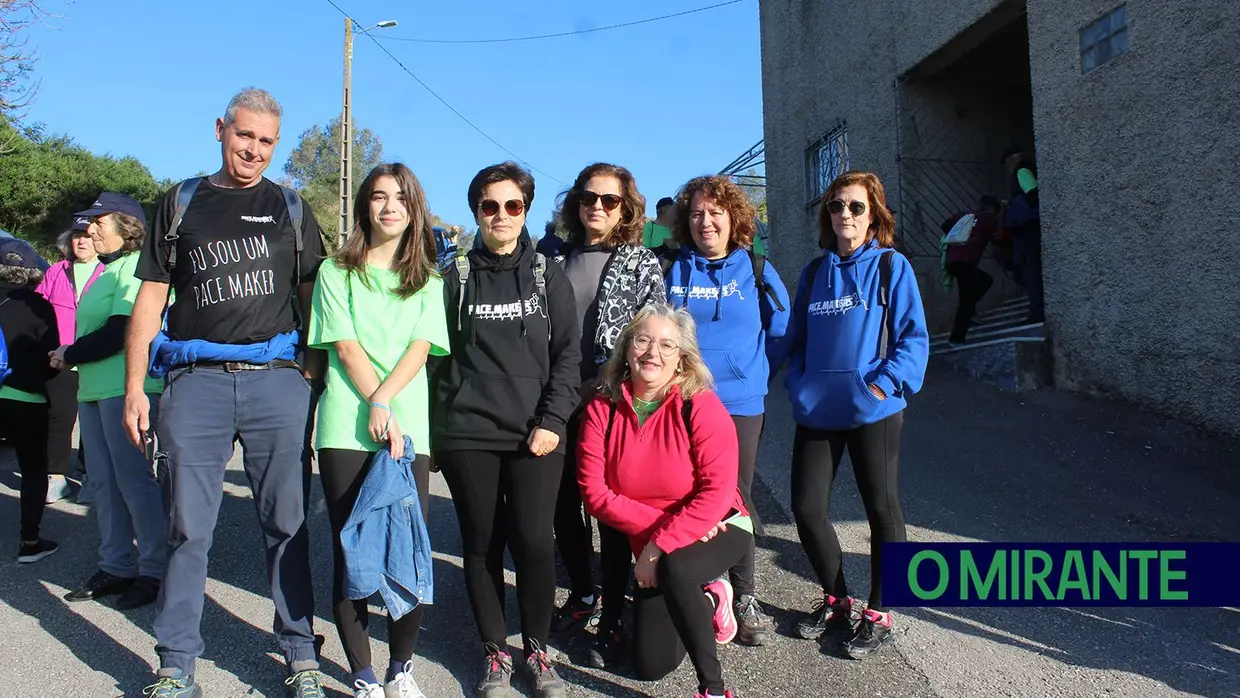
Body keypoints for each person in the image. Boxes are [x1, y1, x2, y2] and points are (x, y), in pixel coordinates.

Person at [122, 88, 328, 698]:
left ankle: (300, 653)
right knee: (188, 527)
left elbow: (316, 297)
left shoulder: (291, 207)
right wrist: (135, 386)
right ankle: (176, 664)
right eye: (245, 136)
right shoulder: (181, 202)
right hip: (195, 381)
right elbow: (152, 297)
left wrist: (311, 373)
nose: (255, 150)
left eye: (267, 141)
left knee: (287, 522)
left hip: (276, 384)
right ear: (220, 129)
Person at [431, 161, 580, 698]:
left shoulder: (547, 276)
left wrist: (552, 420)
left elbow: (569, 357)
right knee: (482, 543)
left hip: (535, 434)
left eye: (512, 206)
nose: (500, 215)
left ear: (526, 211)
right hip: (468, 432)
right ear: (476, 210)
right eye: (489, 206)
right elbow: (431, 356)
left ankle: (537, 651)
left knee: (537, 543)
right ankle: (495, 652)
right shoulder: (455, 277)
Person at [769, 170, 929, 659]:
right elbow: (791, 339)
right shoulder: (814, 273)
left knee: (882, 509)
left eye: (855, 207)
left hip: (872, 410)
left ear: (873, 215)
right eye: (836, 206)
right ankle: (837, 600)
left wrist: (880, 385)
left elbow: (913, 339)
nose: (845, 215)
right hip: (817, 408)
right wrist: (792, 382)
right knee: (807, 508)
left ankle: (880, 613)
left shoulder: (890, 266)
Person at [308, 163, 448, 698]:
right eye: (378, 197)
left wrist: (386, 403)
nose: (389, 207)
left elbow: (420, 348)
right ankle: (363, 673)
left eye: (400, 198)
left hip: (407, 430)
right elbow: (342, 345)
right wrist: (373, 401)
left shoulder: (428, 282)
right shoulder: (334, 272)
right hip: (346, 424)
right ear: (365, 205)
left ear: (414, 209)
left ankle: (400, 669)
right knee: (352, 550)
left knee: (407, 551)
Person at [577, 302, 748, 698]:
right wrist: (659, 539)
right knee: (651, 665)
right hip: (659, 540)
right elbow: (595, 494)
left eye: (667, 345)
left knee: (677, 570)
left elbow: (717, 491)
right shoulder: (602, 409)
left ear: (682, 359)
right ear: (627, 349)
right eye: (643, 340)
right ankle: (708, 601)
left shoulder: (700, 405)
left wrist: (660, 545)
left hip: (719, 525)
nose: (653, 353)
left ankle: (713, 687)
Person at [663, 175, 791, 646]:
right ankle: (698, 580)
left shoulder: (756, 269)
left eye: (715, 211)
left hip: (739, 403)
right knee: (685, 491)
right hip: (683, 402)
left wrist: (753, 375)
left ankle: (745, 594)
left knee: (734, 496)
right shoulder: (671, 269)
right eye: (696, 213)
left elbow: (782, 331)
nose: (706, 221)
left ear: (734, 217)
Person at [546, 163, 666, 663]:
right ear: (576, 203)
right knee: (562, 502)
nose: (597, 206)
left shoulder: (641, 262)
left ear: (625, 208)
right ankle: (583, 590)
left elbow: (657, 333)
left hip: (612, 402)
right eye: (588, 197)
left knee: (612, 510)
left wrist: (613, 383)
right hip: (554, 398)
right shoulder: (550, 255)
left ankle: (615, 614)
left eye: (609, 200)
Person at [55, 193, 168, 611]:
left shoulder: (136, 270)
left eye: (99, 222)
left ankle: (155, 570)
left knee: (135, 484)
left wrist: (69, 353)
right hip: (94, 391)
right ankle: (115, 564)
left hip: (125, 389)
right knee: (104, 484)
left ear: (128, 227)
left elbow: (123, 329)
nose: (90, 230)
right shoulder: (103, 273)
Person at [0, 237, 60, 563]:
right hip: (26, 397)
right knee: (33, 469)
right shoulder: (40, 307)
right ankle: (30, 541)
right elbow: (51, 359)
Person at [35, 217, 103, 503]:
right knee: (59, 419)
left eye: (88, 236)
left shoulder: (109, 272)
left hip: (95, 358)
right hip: (60, 359)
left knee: (92, 423)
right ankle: (57, 477)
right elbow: (38, 309)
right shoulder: (55, 272)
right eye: (77, 236)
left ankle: (90, 477)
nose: (83, 241)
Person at [942, 196, 1001, 345]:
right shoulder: (989, 219)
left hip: (952, 259)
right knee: (967, 300)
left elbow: (945, 225)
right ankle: (956, 338)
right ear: (993, 209)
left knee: (982, 282)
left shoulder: (964, 215)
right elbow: (997, 238)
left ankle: (971, 312)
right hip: (966, 262)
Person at [1001, 145, 1043, 323]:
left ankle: (1037, 311)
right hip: (1029, 228)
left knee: (1029, 270)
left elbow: (1033, 194)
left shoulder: (1022, 171)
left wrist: (1013, 206)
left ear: (1012, 160)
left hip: (1028, 229)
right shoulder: (1026, 170)